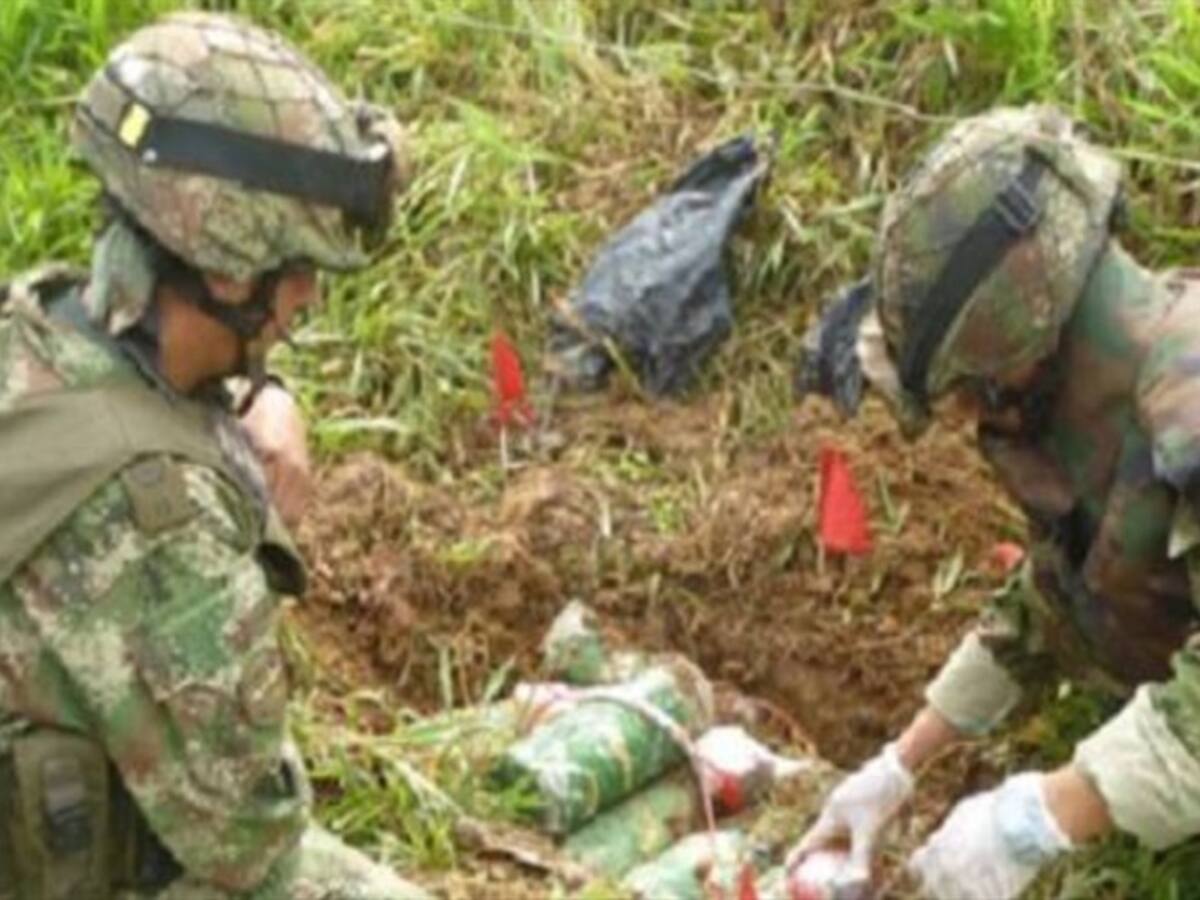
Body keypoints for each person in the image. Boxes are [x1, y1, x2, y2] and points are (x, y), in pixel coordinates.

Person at [0, 12, 429, 900]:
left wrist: (256, 394)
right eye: (298, 269)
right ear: (230, 272)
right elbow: (250, 845)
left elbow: (132, 391)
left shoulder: (33, 317)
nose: (307, 296)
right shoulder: (165, 528)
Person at [794, 104, 1200, 899]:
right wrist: (903, 763)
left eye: (965, 395)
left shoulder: (1189, 398)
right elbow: (1061, 593)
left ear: (1016, 356)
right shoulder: (1106, 404)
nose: (967, 421)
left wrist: (1045, 814)